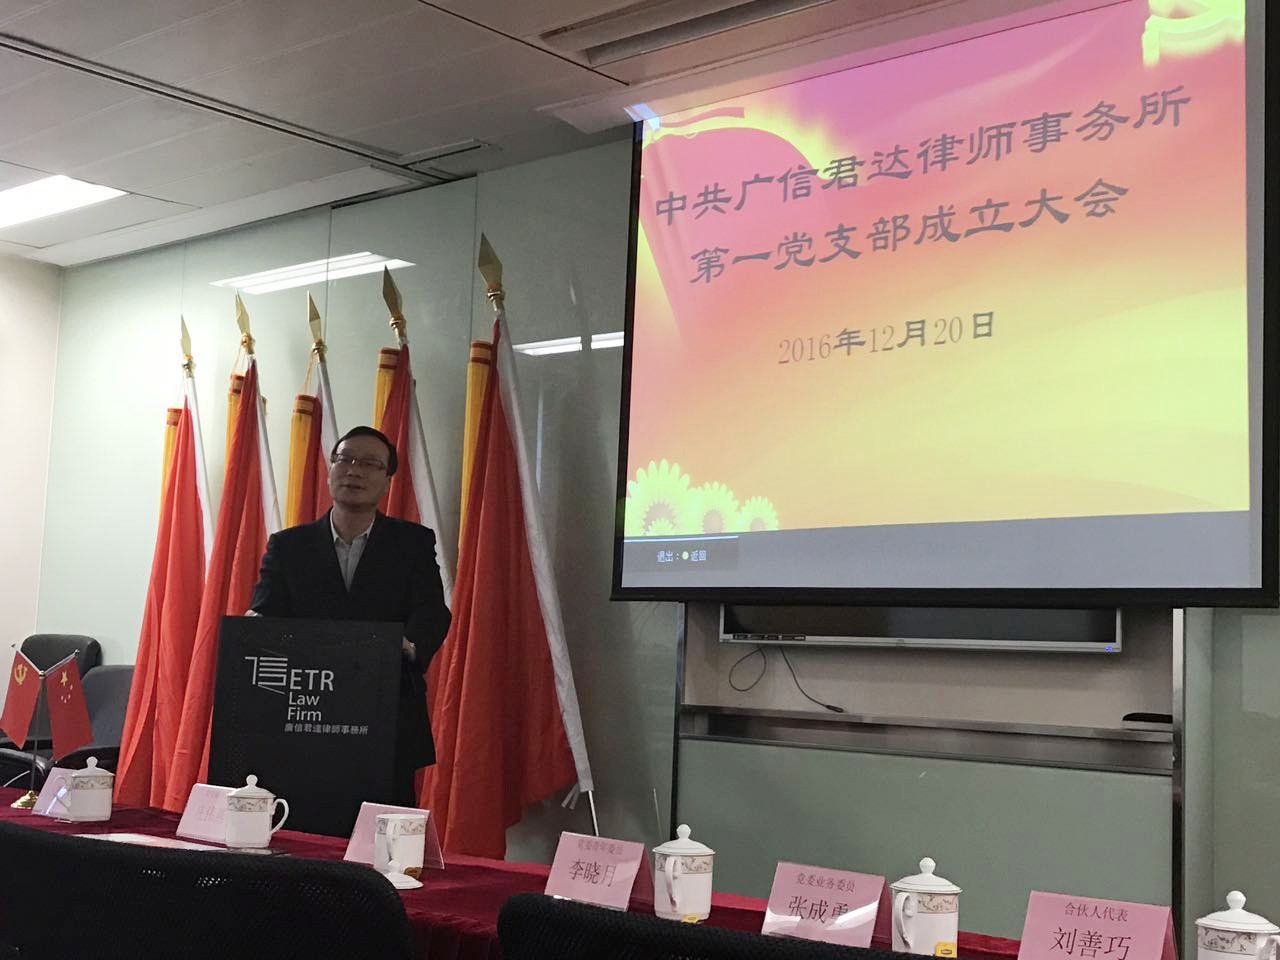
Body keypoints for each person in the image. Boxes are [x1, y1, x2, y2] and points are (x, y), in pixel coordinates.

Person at [248, 425, 450, 806]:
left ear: (387, 482)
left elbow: (432, 613)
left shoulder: (412, 543)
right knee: (303, 827)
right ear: (330, 470)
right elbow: (265, 616)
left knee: (382, 831)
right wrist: (256, 629)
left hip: (385, 715)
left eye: (370, 464)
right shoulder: (289, 547)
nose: (354, 471)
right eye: (345, 460)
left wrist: (409, 645)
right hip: (303, 717)